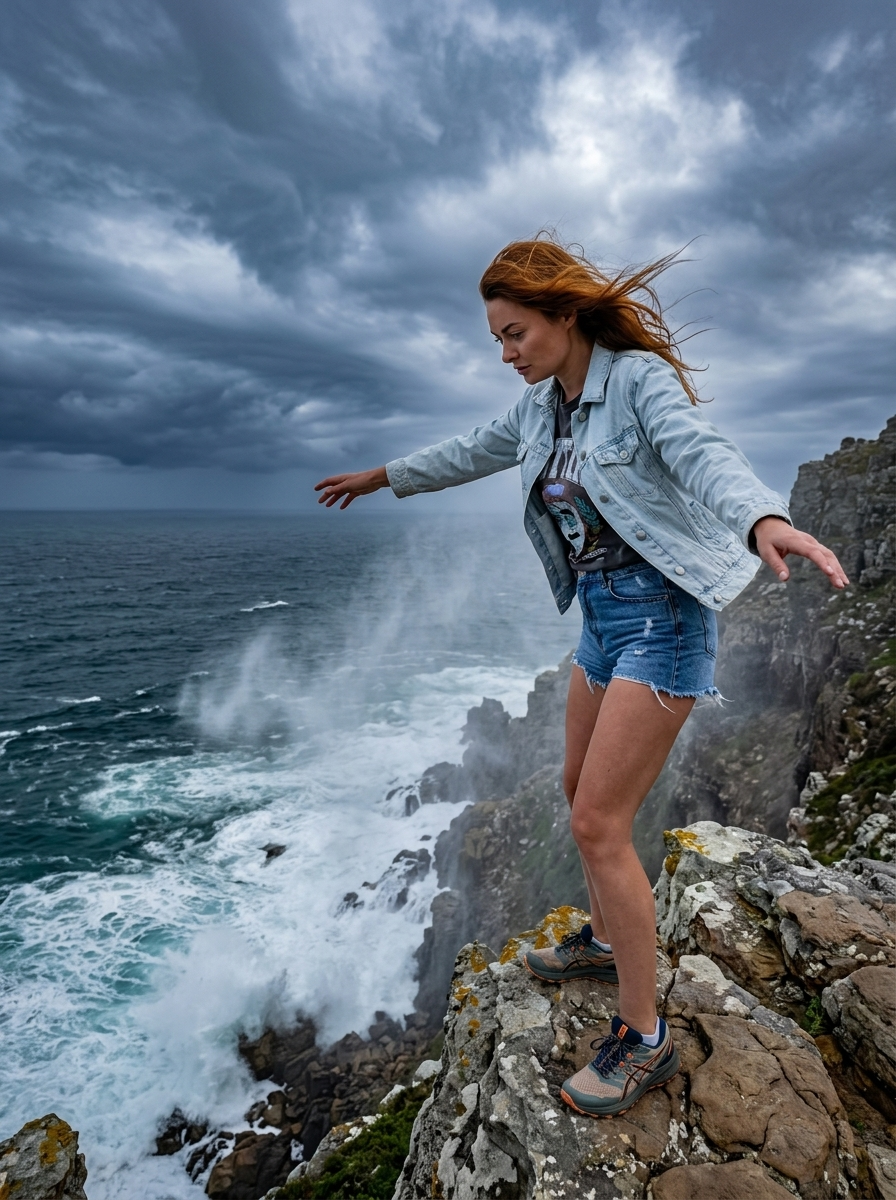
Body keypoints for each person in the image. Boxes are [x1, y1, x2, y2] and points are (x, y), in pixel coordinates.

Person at [314, 236, 848, 1119]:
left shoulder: (635, 382)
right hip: (601, 623)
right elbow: (470, 448)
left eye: (516, 332)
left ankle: (644, 1040)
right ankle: (604, 940)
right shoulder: (539, 409)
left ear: (565, 316)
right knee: (574, 790)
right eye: (497, 338)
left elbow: (700, 449)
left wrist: (763, 519)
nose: (506, 353)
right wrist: (382, 478)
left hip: (663, 621)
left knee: (599, 822)